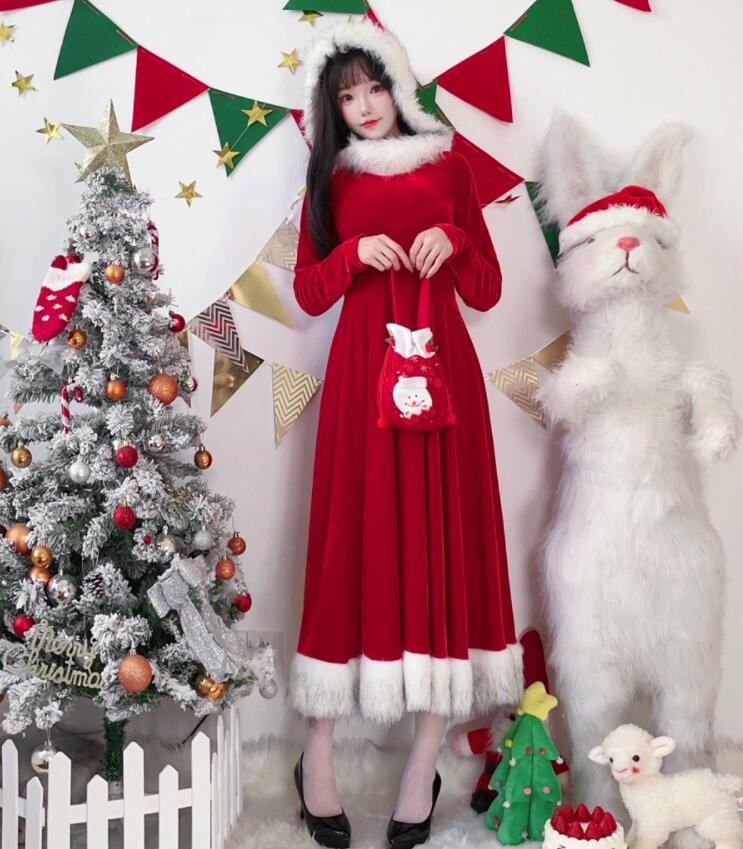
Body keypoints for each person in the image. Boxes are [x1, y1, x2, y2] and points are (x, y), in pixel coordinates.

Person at [287, 18, 523, 849]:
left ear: (398, 86)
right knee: (350, 545)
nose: (363, 106)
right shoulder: (331, 181)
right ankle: (317, 752)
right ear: (332, 109)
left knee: (442, 549)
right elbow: (308, 292)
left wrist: (453, 239)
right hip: (362, 384)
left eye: (373, 87)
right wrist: (353, 255)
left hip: (444, 381)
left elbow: (486, 289)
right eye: (345, 97)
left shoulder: (452, 167)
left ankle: (423, 759)